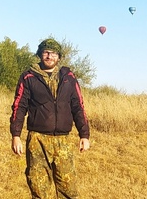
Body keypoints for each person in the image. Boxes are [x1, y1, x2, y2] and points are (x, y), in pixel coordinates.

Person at [10, 38, 90, 199]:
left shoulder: (68, 77)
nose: (49, 56)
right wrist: (16, 136)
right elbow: (19, 107)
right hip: (37, 140)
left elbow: (78, 107)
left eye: (53, 53)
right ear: (40, 54)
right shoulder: (28, 77)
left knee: (68, 187)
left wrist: (84, 135)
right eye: (46, 52)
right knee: (39, 187)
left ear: (59, 57)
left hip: (63, 141)